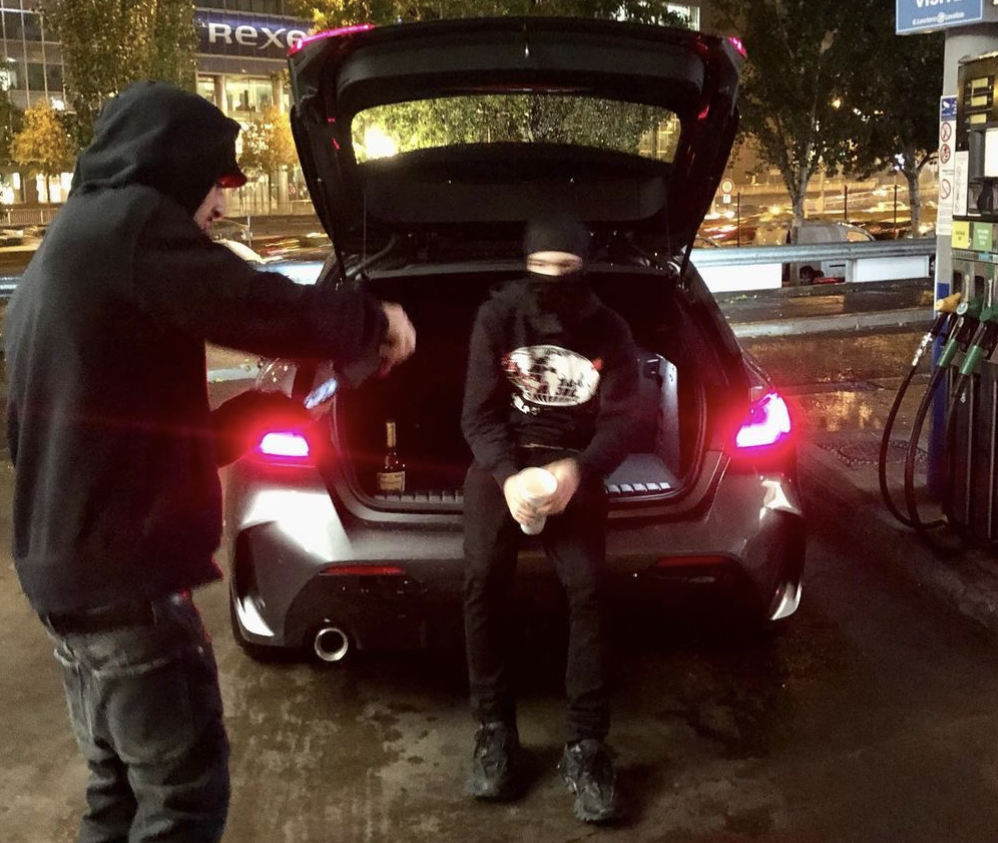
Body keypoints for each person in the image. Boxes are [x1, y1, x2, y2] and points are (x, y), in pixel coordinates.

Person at [2, 81, 415, 843]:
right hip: (127, 595)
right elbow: (251, 301)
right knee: (182, 805)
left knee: (119, 796)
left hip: (69, 587)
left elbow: (110, 438)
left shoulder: (72, 247)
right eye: (217, 182)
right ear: (174, 164)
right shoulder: (132, 224)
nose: (222, 206)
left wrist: (249, 419)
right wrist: (369, 320)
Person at [460, 215, 639, 823]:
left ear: (584, 268)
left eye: (565, 268)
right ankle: (494, 732)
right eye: (540, 267)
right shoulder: (496, 319)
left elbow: (625, 420)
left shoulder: (609, 329)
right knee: (482, 578)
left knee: (589, 587)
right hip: (504, 463)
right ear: (524, 265)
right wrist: (506, 476)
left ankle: (587, 747)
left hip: (574, 463)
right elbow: (477, 414)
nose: (551, 279)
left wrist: (579, 471)